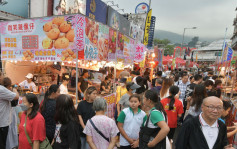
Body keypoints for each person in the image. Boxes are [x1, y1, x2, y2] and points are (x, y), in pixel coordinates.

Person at [0, 78, 19, 149]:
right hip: (3, 121)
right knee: (2, 143)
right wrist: (14, 90)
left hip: (5, 119)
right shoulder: (2, 90)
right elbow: (16, 97)